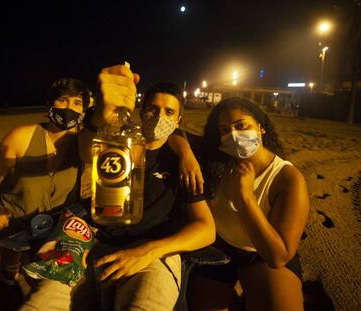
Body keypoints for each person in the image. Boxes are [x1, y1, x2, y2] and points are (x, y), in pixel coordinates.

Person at [18, 64, 215, 310]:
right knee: (39, 304)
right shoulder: (117, 141)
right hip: (90, 245)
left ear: (179, 120)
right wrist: (101, 113)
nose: (159, 117)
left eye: (168, 112)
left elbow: (207, 228)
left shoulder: (183, 163)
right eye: (153, 109)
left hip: (151, 254)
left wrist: (150, 250)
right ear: (141, 111)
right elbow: (87, 147)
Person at [188, 97, 310, 311]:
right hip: (219, 248)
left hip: (260, 254)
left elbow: (278, 256)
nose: (234, 135)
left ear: (261, 128)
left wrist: (244, 197)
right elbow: (176, 135)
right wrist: (185, 156)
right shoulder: (217, 159)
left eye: (241, 125)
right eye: (225, 130)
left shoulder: (287, 178)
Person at [0, 78, 91, 298]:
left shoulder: (83, 146)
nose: (69, 108)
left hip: (52, 232)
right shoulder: (21, 136)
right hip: (11, 227)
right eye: (63, 100)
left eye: (77, 103)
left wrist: (183, 151)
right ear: (50, 104)